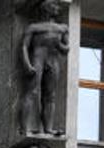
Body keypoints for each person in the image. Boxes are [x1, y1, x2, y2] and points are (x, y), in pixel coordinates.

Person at [20, 0, 68, 136]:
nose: (57, 8)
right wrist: (27, 64)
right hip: (37, 59)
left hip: (53, 61)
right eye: (54, 5)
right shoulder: (34, 27)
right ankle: (24, 128)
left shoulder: (62, 28)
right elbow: (24, 46)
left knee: (50, 95)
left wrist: (59, 44)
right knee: (32, 92)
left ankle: (48, 128)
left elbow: (66, 49)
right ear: (46, 8)